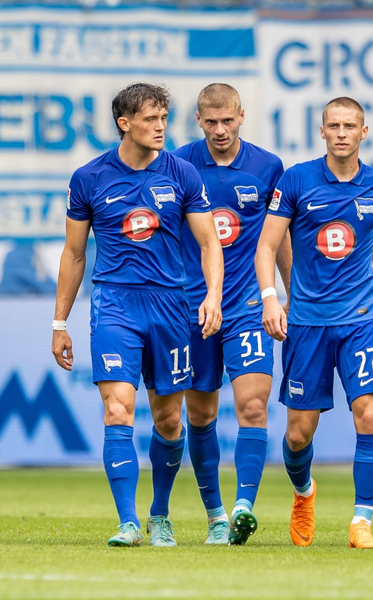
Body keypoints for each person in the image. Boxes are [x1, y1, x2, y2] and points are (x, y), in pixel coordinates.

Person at [52, 83, 223, 547]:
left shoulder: (183, 174)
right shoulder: (88, 178)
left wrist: (212, 296)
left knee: (169, 420)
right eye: (151, 119)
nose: (161, 127)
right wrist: (59, 322)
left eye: (164, 118)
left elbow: (209, 243)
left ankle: (158, 513)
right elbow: (73, 255)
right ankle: (127, 522)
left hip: (171, 305)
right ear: (125, 124)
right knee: (118, 408)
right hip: (114, 305)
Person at [173, 83, 289, 545]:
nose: (220, 130)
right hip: (193, 308)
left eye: (228, 121)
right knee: (200, 417)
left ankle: (244, 505)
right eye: (211, 122)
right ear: (198, 120)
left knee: (253, 406)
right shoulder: (177, 164)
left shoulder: (268, 167)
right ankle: (216, 514)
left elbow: (279, 238)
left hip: (245, 307)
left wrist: (285, 295)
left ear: (242, 116)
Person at [256, 96, 373, 549]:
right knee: (298, 432)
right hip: (306, 323)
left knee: (368, 414)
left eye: (350, 126)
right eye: (334, 125)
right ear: (321, 130)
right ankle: (304, 493)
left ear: (363, 133)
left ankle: (362, 519)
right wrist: (271, 299)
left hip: (361, 322)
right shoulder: (297, 180)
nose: (342, 133)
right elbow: (267, 247)